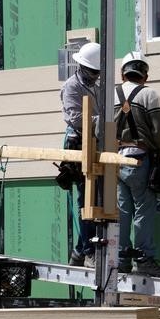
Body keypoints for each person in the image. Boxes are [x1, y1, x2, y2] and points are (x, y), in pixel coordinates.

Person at [113, 51, 160, 277]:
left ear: (123, 73)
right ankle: (144, 258)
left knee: (123, 211)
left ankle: (121, 259)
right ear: (145, 75)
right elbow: (159, 131)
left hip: (116, 160)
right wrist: (157, 147)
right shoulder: (150, 95)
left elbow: (98, 129)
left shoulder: (112, 95)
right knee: (144, 210)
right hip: (139, 158)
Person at [60, 42, 101, 268]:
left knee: (94, 199)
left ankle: (79, 250)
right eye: (93, 72)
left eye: (98, 72)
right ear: (83, 67)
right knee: (85, 198)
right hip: (77, 143)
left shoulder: (98, 86)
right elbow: (76, 119)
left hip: (95, 142)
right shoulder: (72, 87)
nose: (96, 76)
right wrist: (103, 122)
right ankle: (87, 252)